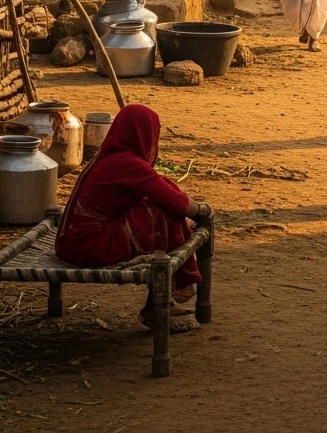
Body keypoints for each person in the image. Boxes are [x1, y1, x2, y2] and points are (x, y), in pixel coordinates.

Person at [55, 104, 211, 331]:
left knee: (160, 197)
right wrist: (202, 211)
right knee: (161, 209)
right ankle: (159, 306)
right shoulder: (125, 163)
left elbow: (162, 189)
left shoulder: (111, 157)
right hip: (87, 245)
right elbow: (175, 202)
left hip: (77, 241)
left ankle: (162, 301)